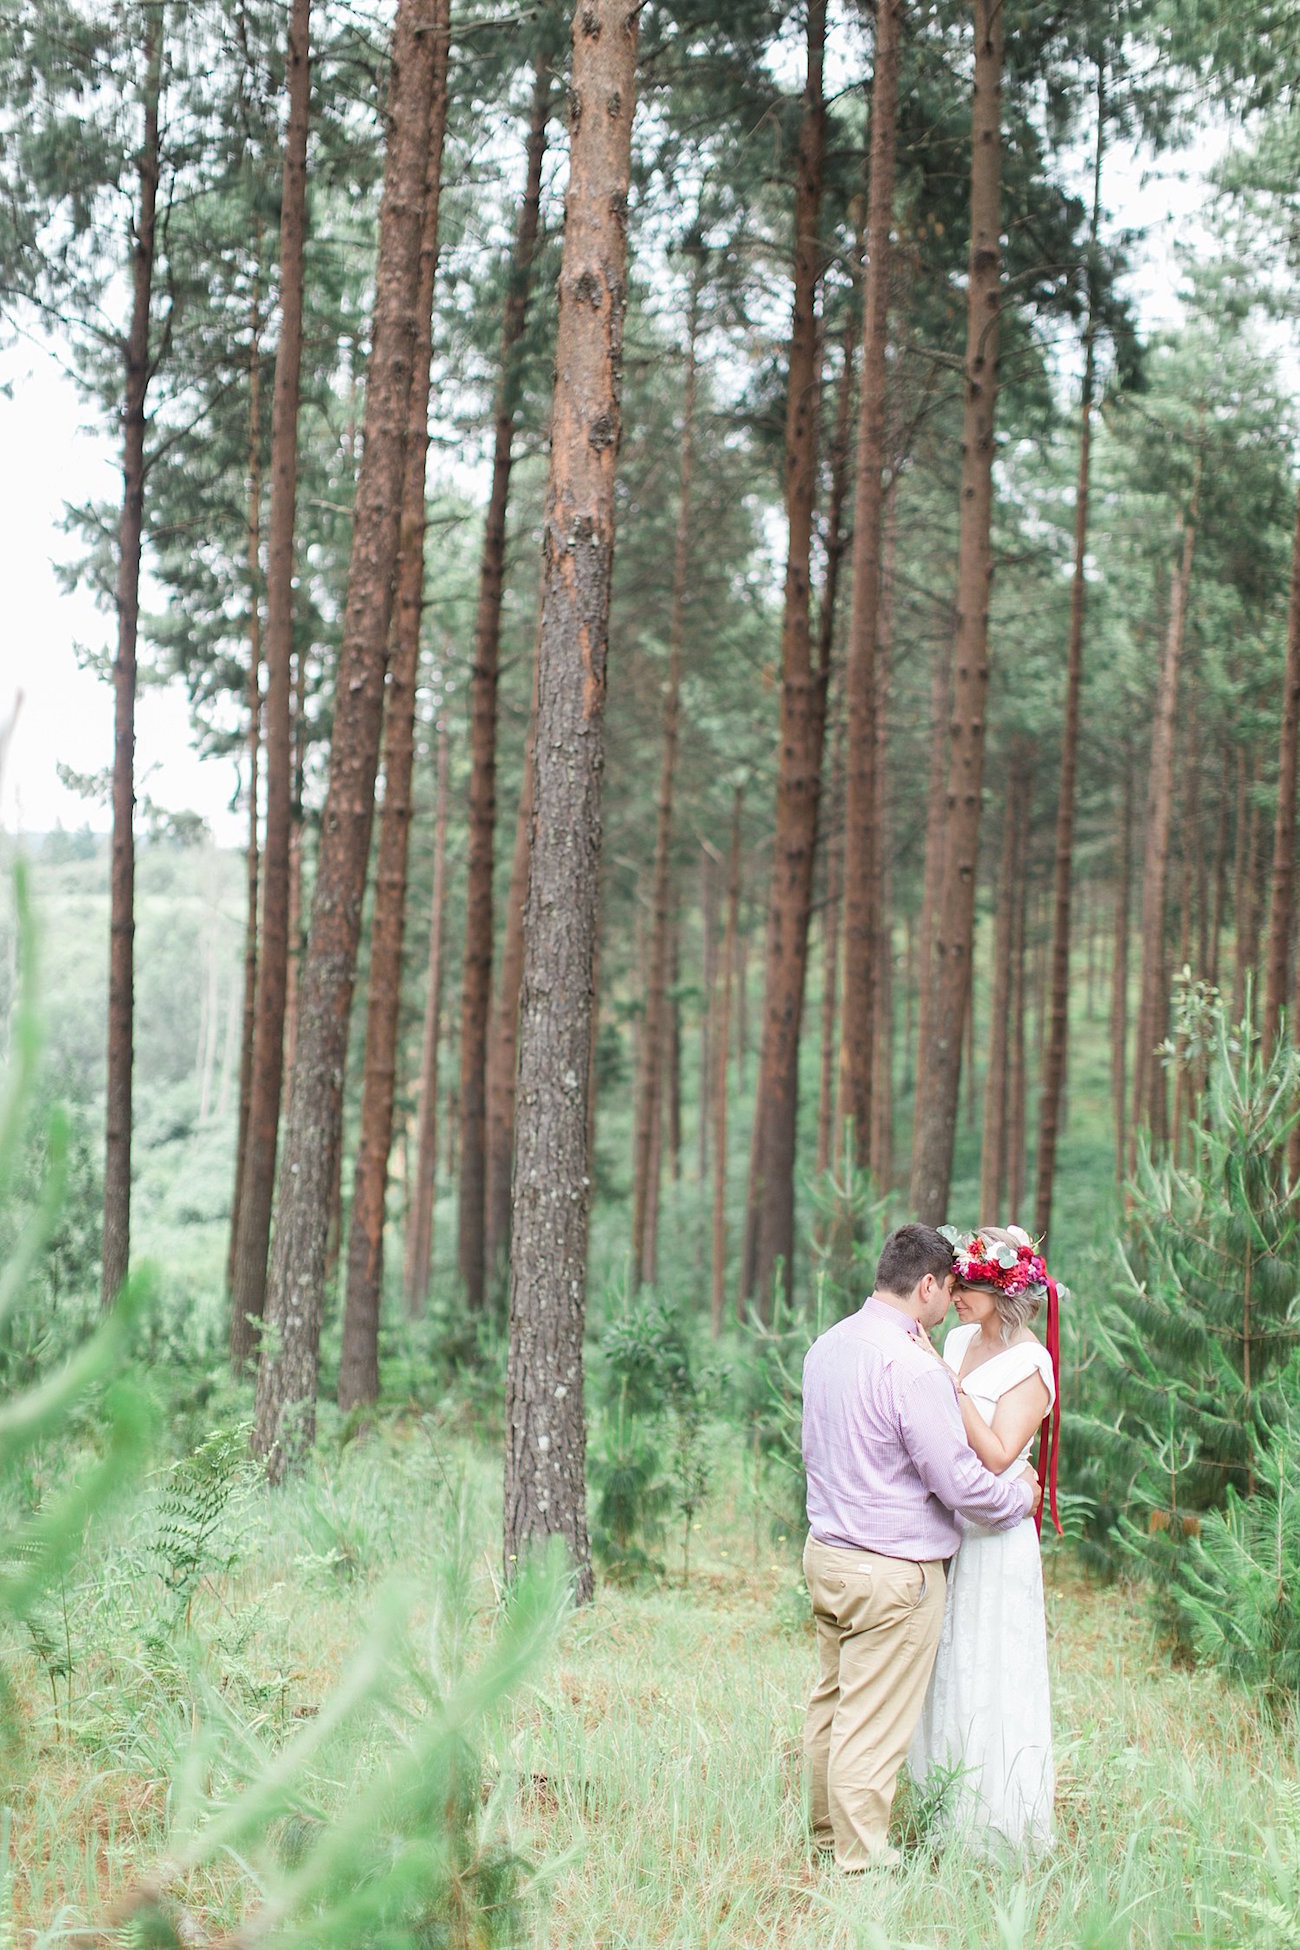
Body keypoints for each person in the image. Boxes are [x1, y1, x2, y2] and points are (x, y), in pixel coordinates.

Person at [800, 1223, 1041, 1872]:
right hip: (892, 1573)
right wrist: (1019, 1499)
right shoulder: (912, 1369)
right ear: (927, 1285)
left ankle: (826, 1843)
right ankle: (861, 1866)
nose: (953, 1299)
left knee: (832, 1706)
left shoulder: (826, 1346)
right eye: (948, 1287)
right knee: (870, 1729)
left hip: (826, 1554)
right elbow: (959, 1482)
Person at [908, 1223, 1059, 1856]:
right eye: (955, 1283)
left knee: (990, 1663)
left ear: (1003, 1289)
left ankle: (996, 1825)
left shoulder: (1033, 1363)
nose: (955, 1293)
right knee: (946, 1660)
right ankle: (938, 1807)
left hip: (996, 1535)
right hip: (950, 1527)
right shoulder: (963, 1336)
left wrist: (942, 1381)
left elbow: (999, 1455)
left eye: (968, 1284)